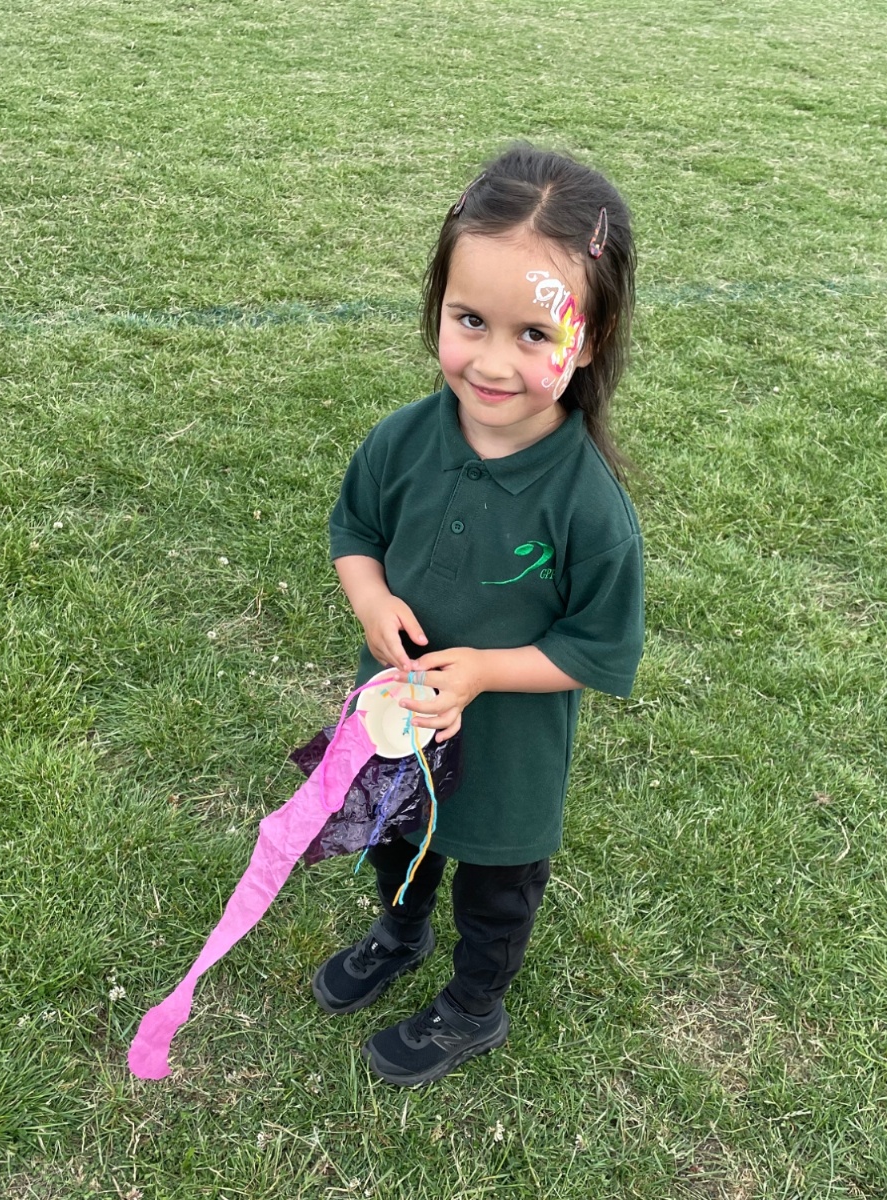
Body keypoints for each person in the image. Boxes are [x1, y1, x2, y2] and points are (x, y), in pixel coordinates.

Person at [315, 144, 645, 1086]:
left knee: (497, 892)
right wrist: (370, 596)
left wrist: (488, 670)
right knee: (397, 842)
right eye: (470, 321)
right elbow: (355, 530)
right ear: (438, 306)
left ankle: (473, 1005)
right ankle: (400, 932)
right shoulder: (402, 440)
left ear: (589, 339)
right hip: (398, 726)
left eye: (535, 334)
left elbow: (598, 648)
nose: (493, 363)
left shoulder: (589, 509)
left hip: (510, 758)